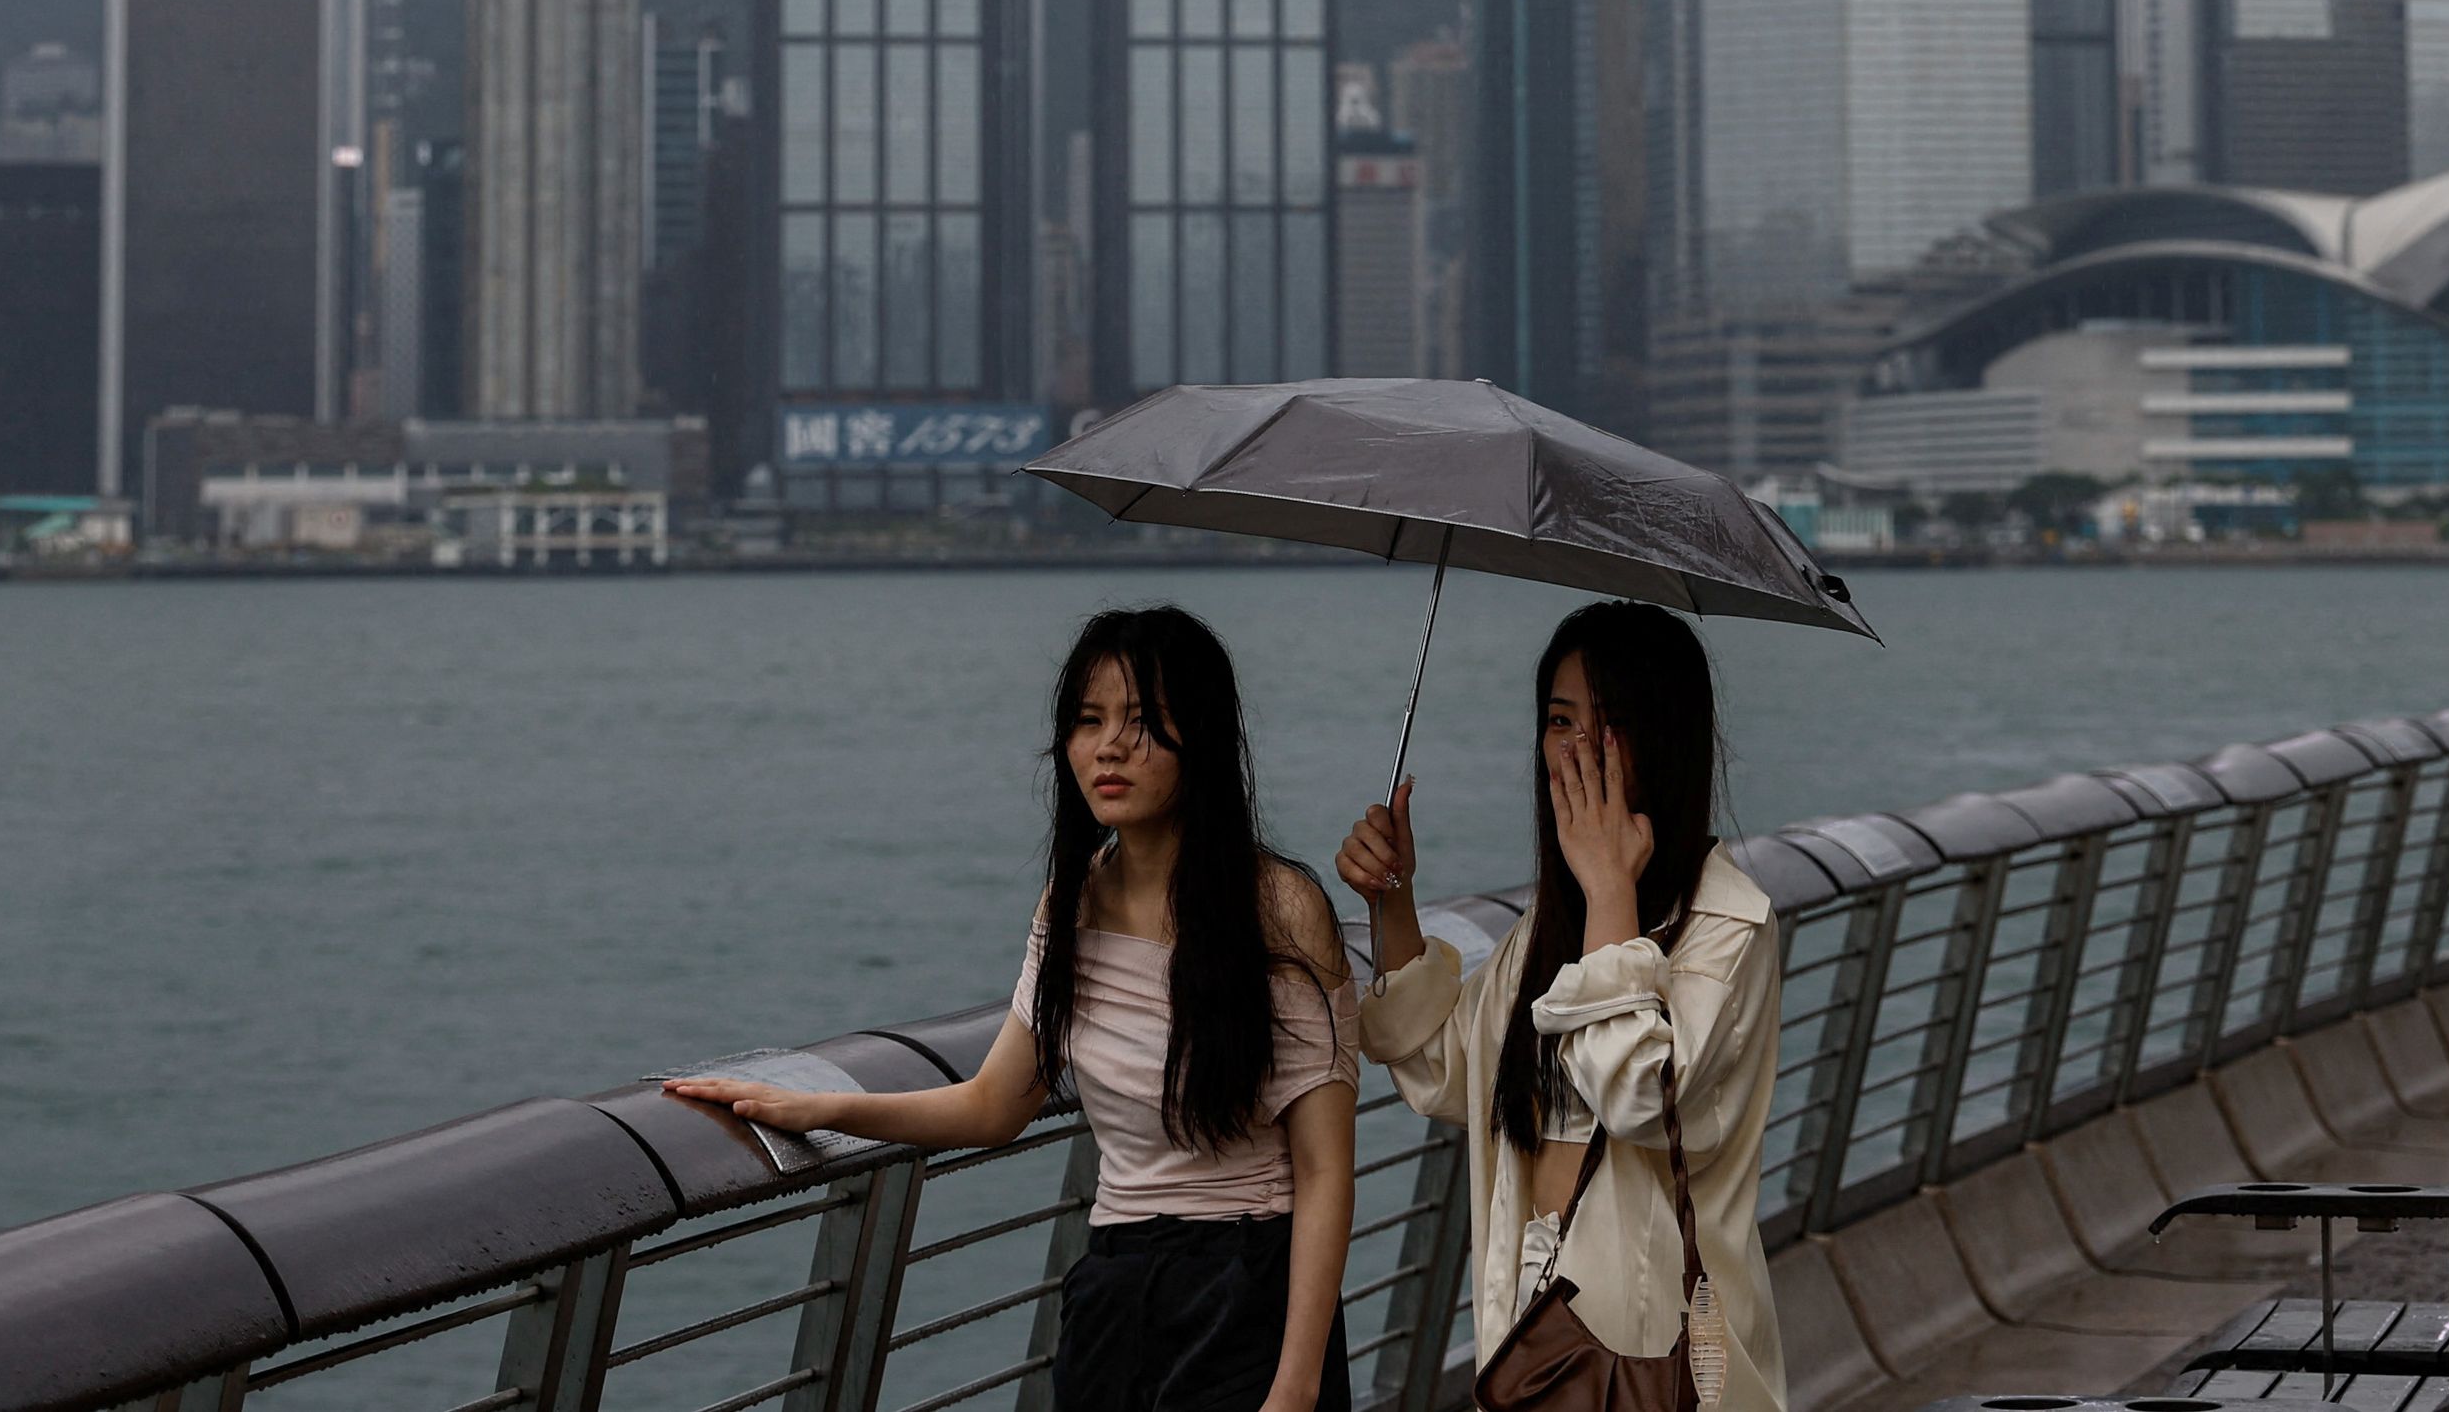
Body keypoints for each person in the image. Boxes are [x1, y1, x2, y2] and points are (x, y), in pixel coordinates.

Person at [671, 609, 1358, 1412]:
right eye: (1088, 721)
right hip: (1116, 1293)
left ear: (1199, 735)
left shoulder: (1278, 906)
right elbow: (995, 1105)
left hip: (1250, 1291)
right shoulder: (1072, 905)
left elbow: (1323, 1167)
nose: (1109, 747)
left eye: (1143, 723)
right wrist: (816, 1107)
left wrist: (1296, 1386)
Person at [1336, 602, 1783, 1412]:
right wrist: (1394, 899)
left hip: (1659, 1360)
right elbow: (1445, 1071)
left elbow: (1639, 1095)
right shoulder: (1546, 932)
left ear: (1667, 738)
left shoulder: (1729, 928)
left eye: (1607, 724)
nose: (1576, 751)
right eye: (1558, 721)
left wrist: (1610, 889)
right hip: (1537, 1342)